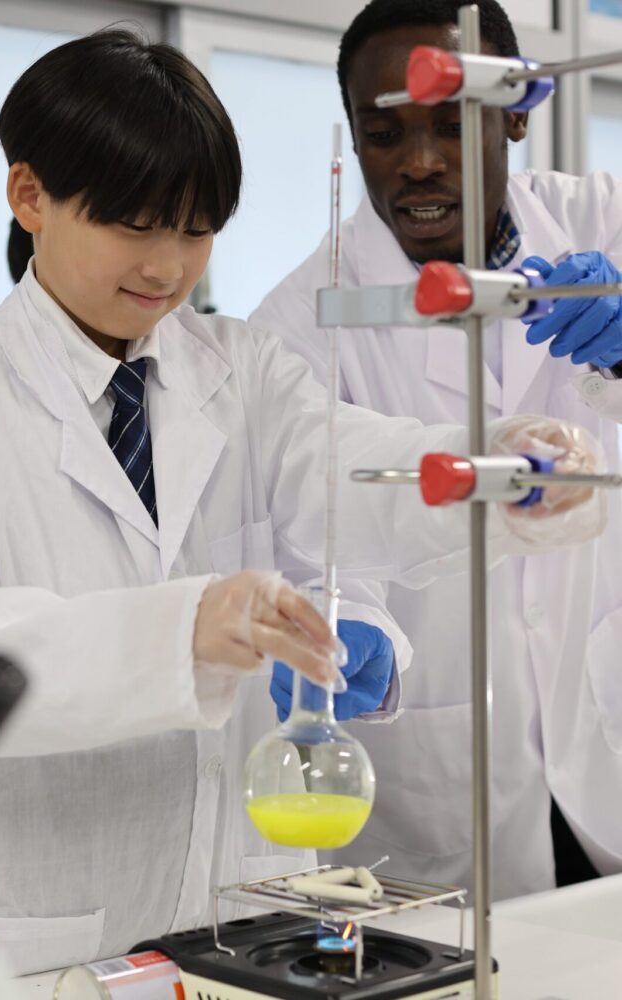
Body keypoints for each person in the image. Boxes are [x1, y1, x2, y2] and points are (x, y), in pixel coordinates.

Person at [0, 30, 602, 974]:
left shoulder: (239, 367)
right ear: (31, 195)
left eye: (196, 230)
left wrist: (500, 468)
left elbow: (349, 465)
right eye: (135, 224)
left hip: (247, 915)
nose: (168, 267)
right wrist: (178, 632)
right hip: (46, 938)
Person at [252, 0, 622, 900]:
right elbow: (311, 518)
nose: (418, 162)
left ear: (519, 112)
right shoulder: (307, 317)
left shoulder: (604, 223)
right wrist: (346, 620)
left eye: (452, 123)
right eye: (382, 134)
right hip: (450, 788)